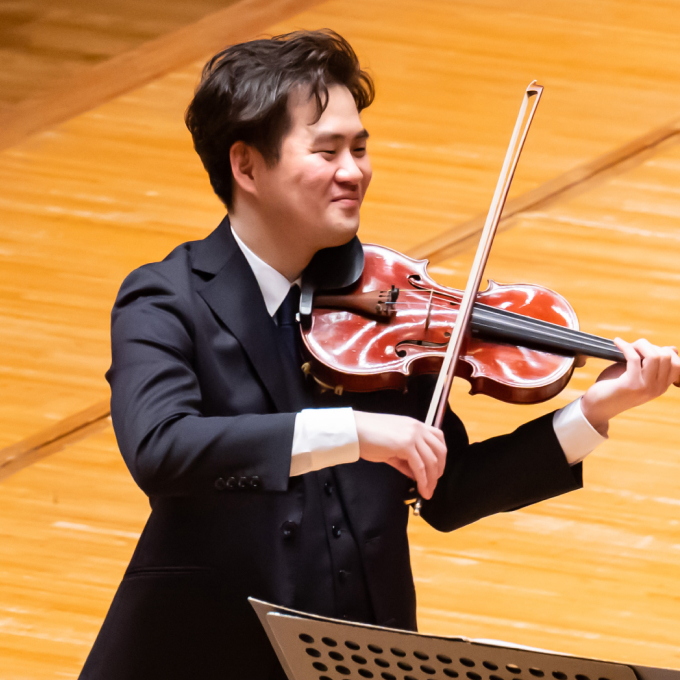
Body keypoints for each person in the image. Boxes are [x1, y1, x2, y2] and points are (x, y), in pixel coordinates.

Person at [79, 29, 680, 680]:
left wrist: (593, 411)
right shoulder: (167, 299)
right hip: (198, 658)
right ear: (246, 166)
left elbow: (447, 490)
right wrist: (353, 432)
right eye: (327, 150)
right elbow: (162, 449)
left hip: (358, 661)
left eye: (359, 148)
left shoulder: (384, 308)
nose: (353, 170)